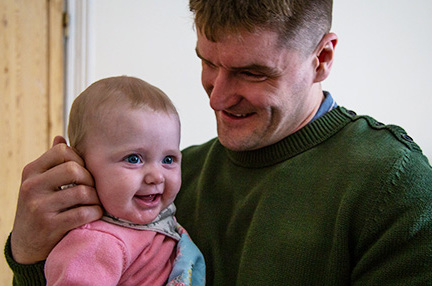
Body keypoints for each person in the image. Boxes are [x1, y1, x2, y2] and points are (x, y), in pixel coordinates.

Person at [5, 0, 432, 285]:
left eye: (253, 73)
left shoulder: (392, 184)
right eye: (207, 62)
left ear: (321, 59)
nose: (216, 96)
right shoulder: (168, 181)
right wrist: (29, 255)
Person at [43, 76, 204, 285]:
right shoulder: (97, 244)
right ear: (80, 164)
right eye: (133, 159)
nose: (157, 176)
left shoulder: (158, 218)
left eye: (168, 159)